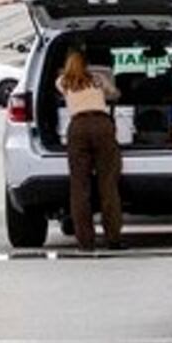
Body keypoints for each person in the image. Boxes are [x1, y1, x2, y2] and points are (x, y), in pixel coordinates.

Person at [56, 46, 124, 254]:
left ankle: (85, 242)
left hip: (77, 128)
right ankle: (113, 238)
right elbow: (115, 94)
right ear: (86, 64)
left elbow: (61, 89)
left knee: (79, 187)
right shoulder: (96, 79)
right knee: (108, 184)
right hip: (101, 125)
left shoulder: (62, 82)